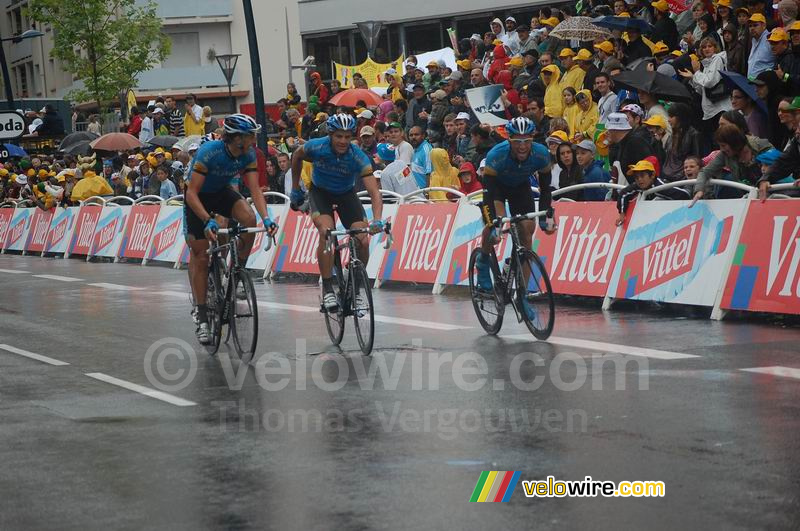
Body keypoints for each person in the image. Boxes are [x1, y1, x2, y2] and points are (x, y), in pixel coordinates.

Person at [184, 114, 278, 343]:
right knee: (201, 256)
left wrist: (266, 218)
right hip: (197, 198)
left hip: (221, 193)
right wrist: (207, 219)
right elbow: (191, 193)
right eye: (250, 135)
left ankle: (237, 275)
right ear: (237, 138)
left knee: (249, 219)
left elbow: (255, 190)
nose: (254, 138)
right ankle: (202, 316)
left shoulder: (248, 154)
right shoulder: (210, 152)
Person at [289, 114, 384, 311]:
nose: (343, 141)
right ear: (330, 134)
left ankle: (355, 287)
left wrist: (377, 219)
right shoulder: (316, 146)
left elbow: (375, 192)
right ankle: (328, 289)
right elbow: (296, 156)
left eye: (347, 137)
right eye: (339, 136)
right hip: (320, 193)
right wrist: (295, 187)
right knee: (326, 232)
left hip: (346, 194)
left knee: (362, 239)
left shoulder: (357, 155)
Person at [474, 117, 555, 309]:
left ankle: (523, 295)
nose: (522, 146)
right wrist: (492, 222)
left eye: (527, 141)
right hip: (497, 190)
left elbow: (545, 190)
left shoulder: (542, 154)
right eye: (517, 141)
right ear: (508, 139)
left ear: (533, 139)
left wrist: (546, 217)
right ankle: (483, 261)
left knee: (527, 236)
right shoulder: (497, 155)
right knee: (495, 230)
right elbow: (488, 193)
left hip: (521, 188)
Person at [692, 123, 774, 203]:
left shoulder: (762, 146)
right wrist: (699, 190)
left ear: (734, 142)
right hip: (746, 196)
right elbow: (705, 172)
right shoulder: (724, 155)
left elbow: (778, 165)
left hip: (772, 192)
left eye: (723, 145)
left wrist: (766, 179)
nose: (721, 149)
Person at [679, 37, 731, 140]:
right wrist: (692, 77)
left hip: (720, 108)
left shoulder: (717, 59)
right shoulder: (706, 64)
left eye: (710, 46)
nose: (707, 49)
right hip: (710, 110)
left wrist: (697, 72)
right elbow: (701, 90)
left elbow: (709, 82)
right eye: (704, 47)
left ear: (715, 48)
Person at [616, 159, 690, 226]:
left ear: (653, 175)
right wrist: (622, 213)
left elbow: (685, 195)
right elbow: (624, 193)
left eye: (642, 176)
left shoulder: (661, 187)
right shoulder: (639, 185)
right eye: (636, 177)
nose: (639, 180)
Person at [747, 13, 774, 78]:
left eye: (755, 25)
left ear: (764, 26)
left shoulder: (770, 39)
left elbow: (776, 61)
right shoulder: (754, 39)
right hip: (752, 83)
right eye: (750, 26)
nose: (752, 28)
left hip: (764, 83)